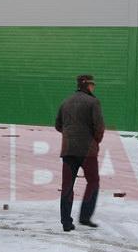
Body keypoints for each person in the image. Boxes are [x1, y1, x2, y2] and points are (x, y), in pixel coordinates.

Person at [54, 74, 105, 232]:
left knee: (67, 185)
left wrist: (70, 135)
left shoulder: (66, 102)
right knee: (93, 181)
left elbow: (58, 125)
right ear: (87, 85)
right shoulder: (93, 102)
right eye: (92, 84)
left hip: (68, 150)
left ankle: (66, 222)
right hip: (87, 151)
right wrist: (95, 141)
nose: (94, 87)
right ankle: (85, 216)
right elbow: (99, 127)